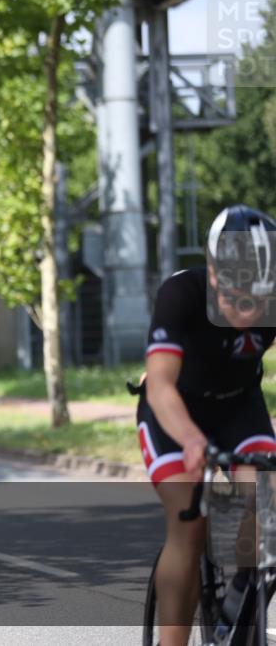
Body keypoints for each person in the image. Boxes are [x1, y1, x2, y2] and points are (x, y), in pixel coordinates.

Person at [138, 205, 276, 645]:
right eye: (238, 295)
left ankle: (240, 594)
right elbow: (160, 385)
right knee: (191, 524)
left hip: (239, 408)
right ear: (214, 274)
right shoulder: (181, 294)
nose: (249, 309)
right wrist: (193, 439)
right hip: (175, 412)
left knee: (267, 506)